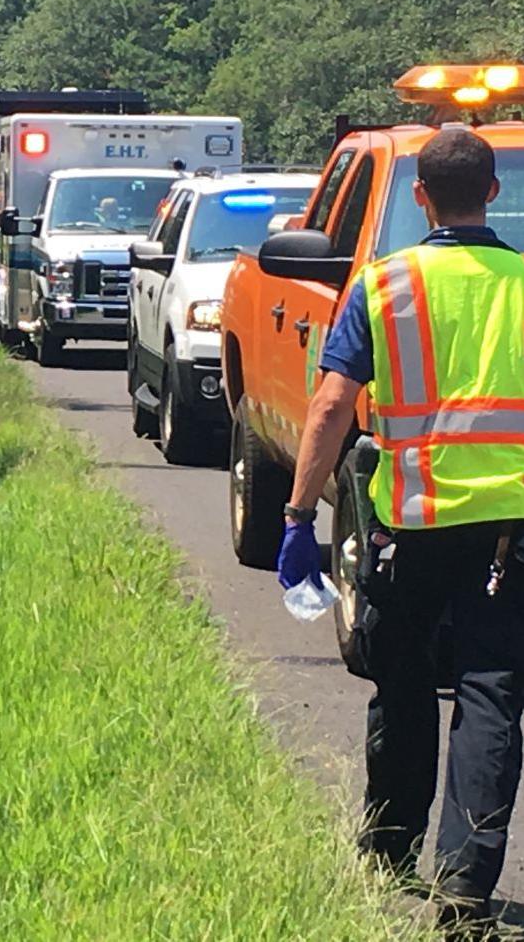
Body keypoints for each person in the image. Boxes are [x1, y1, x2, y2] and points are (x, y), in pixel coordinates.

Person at [282, 127, 524, 937]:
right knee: (492, 693)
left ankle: (390, 846)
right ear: (493, 194)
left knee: (404, 679)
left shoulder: (384, 285)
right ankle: (465, 884)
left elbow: (330, 406)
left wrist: (298, 516)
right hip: (510, 529)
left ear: (420, 197)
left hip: (412, 523)